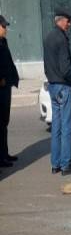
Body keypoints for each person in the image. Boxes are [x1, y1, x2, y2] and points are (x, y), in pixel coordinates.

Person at [43, 10, 71, 176]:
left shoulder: (49, 37)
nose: (70, 24)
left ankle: (55, 164)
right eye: (68, 20)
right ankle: (66, 165)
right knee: (66, 127)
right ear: (61, 21)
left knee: (57, 127)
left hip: (53, 86)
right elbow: (66, 68)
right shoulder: (61, 39)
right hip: (63, 86)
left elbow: (48, 63)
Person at [0, 15, 19, 167]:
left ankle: (4, 155)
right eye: (3, 26)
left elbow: (8, 62)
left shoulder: (3, 42)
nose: (5, 29)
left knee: (4, 123)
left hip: (6, 87)